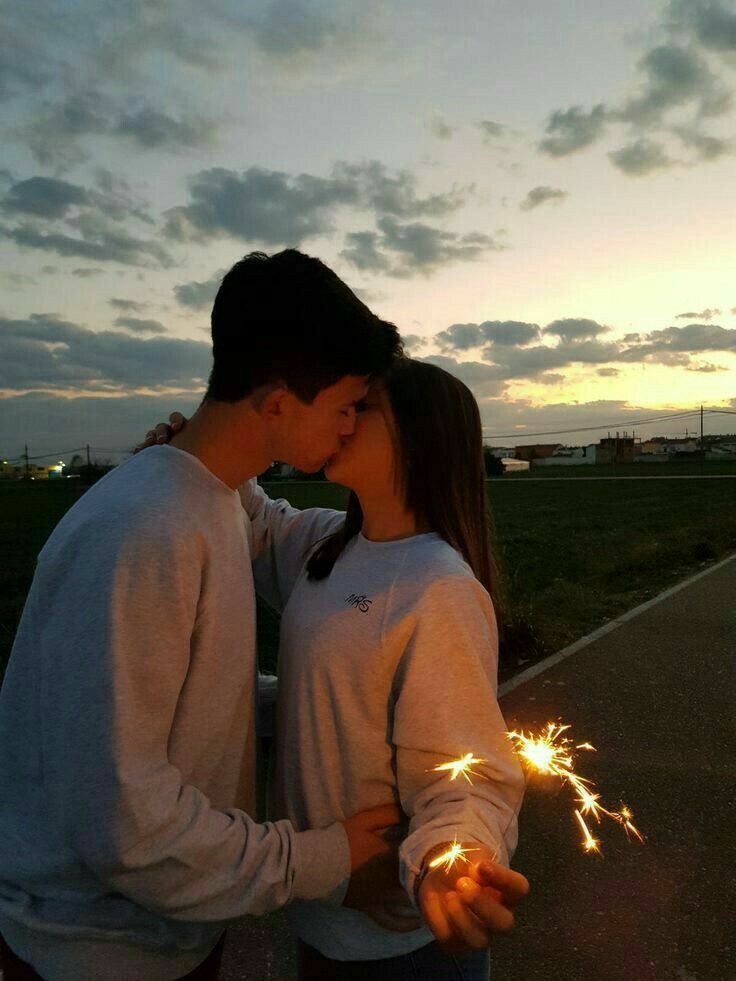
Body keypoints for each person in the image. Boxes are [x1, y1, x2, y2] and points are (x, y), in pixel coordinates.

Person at [0, 249, 413, 981]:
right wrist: (326, 862)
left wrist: (323, 710)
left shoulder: (214, 498)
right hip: (99, 951)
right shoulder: (142, 533)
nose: (351, 425)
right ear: (278, 403)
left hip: (166, 931)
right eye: (346, 404)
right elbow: (125, 823)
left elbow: (189, 698)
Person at [145, 357, 529, 979]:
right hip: (324, 909)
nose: (341, 421)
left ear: (418, 436)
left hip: (400, 943)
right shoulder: (329, 544)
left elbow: (465, 768)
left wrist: (449, 857)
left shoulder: (438, 588)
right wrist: (200, 454)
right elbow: (261, 522)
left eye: (360, 408)